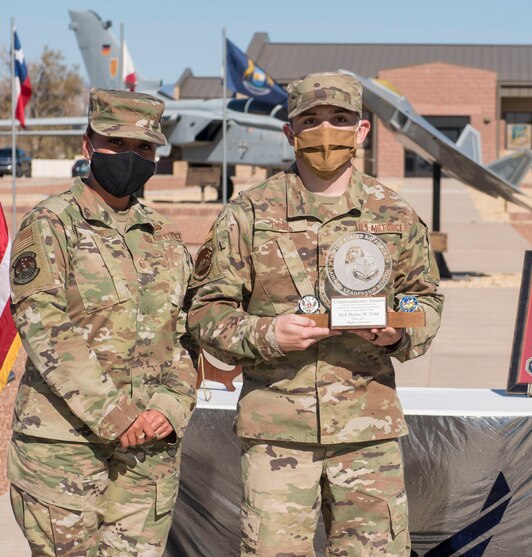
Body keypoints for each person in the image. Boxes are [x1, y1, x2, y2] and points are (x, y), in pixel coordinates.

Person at [187, 72, 443, 556]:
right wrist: (267, 334)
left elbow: (423, 301)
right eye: (311, 120)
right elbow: (205, 311)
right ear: (290, 132)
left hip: (367, 432)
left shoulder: (395, 214)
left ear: (361, 131)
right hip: (278, 432)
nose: (326, 131)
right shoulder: (248, 214)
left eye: (340, 119)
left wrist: (395, 332)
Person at [8, 89, 197, 556]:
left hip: (148, 452)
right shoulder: (51, 223)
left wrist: (169, 408)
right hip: (65, 451)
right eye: (117, 143)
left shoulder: (166, 237)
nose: (131, 157)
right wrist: (116, 416)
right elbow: (44, 325)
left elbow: (187, 334)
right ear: (87, 145)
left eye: (144, 148)